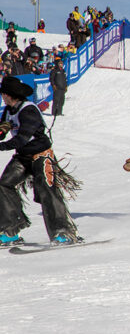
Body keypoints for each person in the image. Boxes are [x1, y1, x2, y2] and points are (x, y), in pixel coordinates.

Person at [0, 76, 81, 246]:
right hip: (22, 157)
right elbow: (4, 128)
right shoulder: (9, 110)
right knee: (4, 184)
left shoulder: (28, 110)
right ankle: (11, 230)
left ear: (9, 95)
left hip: (41, 155)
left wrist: (2, 146)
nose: (2, 97)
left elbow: (22, 138)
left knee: (47, 190)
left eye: (3, 94)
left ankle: (64, 232)